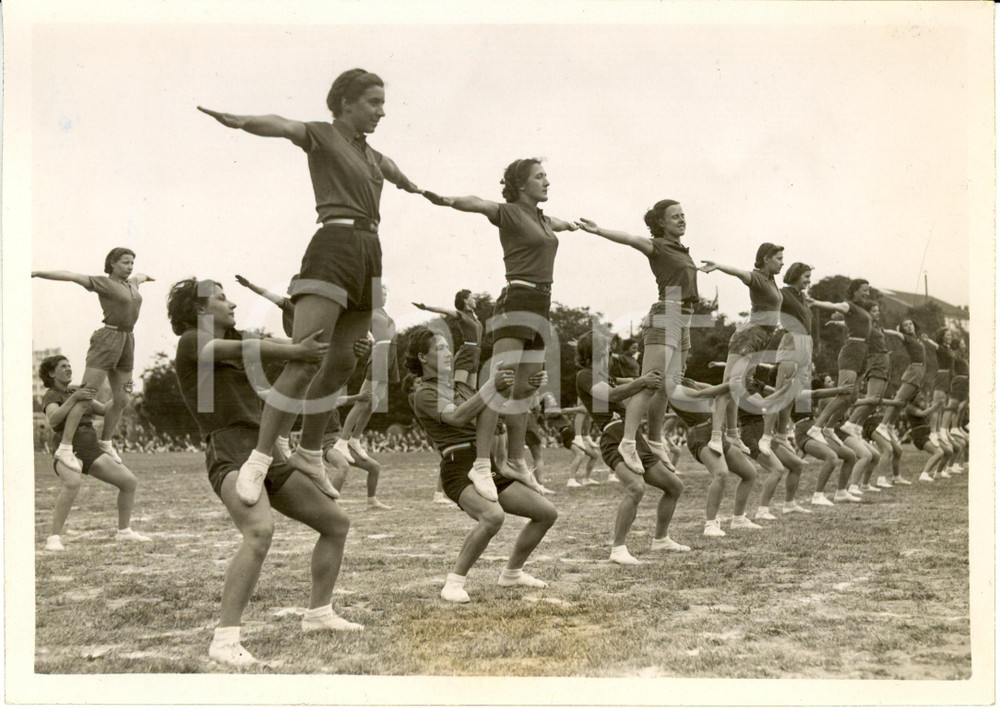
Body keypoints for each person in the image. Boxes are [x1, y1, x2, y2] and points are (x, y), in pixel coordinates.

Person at [198, 68, 441, 503]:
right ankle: (260, 459)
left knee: (343, 362)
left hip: (370, 251)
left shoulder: (372, 154)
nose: (381, 112)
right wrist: (240, 120)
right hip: (334, 245)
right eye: (373, 102)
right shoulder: (323, 135)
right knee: (305, 357)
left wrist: (415, 187)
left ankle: (310, 453)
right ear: (345, 102)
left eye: (383, 103)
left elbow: (392, 170)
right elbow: (283, 125)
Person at [169, 277, 361, 667]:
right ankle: (225, 639)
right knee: (259, 532)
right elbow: (260, 348)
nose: (231, 304)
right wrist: (298, 349)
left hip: (265, 448)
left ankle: (319, 613)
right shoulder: (192, 340)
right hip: (229, 448)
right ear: (199, 309)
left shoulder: (241, 342)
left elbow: (291, 356)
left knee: (336, 523)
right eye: (221, 298)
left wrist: (342, 350)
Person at [428, 158, 578, 494]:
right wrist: (449, 200)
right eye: (540, 176)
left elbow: (558, 223)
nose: (547, 181)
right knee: (501, 383)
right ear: (521, 184)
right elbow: (480, 204)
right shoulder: (510, 213)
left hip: (542, 304)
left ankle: (515, 461)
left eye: (546, 175)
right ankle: (482, 463)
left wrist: (571, 225)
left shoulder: (543, 218)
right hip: (517, 299)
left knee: (526, 388)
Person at [406, 327, 557, 603]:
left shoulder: (460, 387)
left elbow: (497, 410)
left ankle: (512, 573)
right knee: (492, 517)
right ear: (422, 358)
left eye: (447, 347)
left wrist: (527, 387)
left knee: (546, 513)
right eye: (440, 348)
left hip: (485, 462)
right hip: (458, 467)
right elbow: (457, 417)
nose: (448, 353)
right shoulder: (424, 393)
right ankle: (454, 583)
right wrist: (491, 386)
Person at [576, 200, 697, 473]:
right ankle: (628, 441)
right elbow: (630, 239)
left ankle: (654, 441)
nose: (681, 219)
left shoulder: (682, 250)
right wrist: (598, 230)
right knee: (651, 380)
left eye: (683, 215)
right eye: (675, 216)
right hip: (667, 313)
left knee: (669, 384)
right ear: (661, 222)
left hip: (685, 318)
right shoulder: (658, 246)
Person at [32, 249, 154, 470]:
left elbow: (140, 277)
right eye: (125, 262)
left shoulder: (132, 283)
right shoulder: (104, 283)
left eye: (132, 263)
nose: (130, 267)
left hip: (128, 340)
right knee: (87, 395)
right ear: (112, 263)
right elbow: (71, 275)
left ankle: (106, 442)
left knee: (123, 397)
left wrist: (147, 277)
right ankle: (65, 447)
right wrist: (38, 273)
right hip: (107, 339)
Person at [574, 330, 689, 563]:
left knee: (674, 486)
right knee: (636, 488)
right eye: (605, 345)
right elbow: (612, 394)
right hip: (614, 437)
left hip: (634, 436)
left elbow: (632, 382)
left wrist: (668, 377)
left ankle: (661, 539)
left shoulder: (606, 376)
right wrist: (643, 381)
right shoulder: (584, 375)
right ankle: (618, 549)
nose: (610, 348)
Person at [38, 355, 151, 551]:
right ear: (51, 373)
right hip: (67, 449)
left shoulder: (77, 391)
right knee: (72, 483)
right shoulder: (52, 395)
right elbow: (53, 419)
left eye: (69, 365)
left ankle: (124, 531)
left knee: (129, 482)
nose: (69, 369)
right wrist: (75, 398)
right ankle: (53, 538)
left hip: (91, 448)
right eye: (63, 366)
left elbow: (106, 410)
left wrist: (123, 393)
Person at [699, 243, 785, 456]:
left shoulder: (771, 279)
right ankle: (716, 435)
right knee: (730, 385)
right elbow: (740, 273)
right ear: (766, 259)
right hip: (750, 335)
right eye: (778, 258)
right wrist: (718, 265)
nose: (782, 262)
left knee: (739, 386)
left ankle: (732, 434)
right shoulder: (757, 278)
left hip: (762, 338)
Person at [764, 262, 849, 454]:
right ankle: (766, 436)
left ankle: (781, 435)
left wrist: (836, 316)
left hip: (806, 343)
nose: (809, 281)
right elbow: (768, 298)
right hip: (792, 340)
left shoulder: (802, 297)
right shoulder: (783, 293)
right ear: (795, 275)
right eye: (806, 277)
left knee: (792, 394)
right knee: (780, 393)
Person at [331, 284, 398, 474]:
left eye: (386, 293)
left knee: (374, 402)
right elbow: (353, 325)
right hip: (380, 353)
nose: (384, 296)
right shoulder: (367, 310)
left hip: (390, 354)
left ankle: (355, 439)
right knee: (363, 399)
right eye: (381, 293)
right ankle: (342, 441)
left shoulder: (382, 311)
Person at [811, 279, 872, 443]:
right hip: (852, 351)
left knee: (852, 397)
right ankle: (816, 427)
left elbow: (857, 325)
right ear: (855, 291)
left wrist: (839, 322)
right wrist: (815, 302)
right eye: (864, 290)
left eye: (868, 290)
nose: (867, 293)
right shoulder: (848, 305)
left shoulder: (860, 309)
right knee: (844, 393)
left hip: (863, 351)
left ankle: (829, 428)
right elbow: (833, 305)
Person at [413, 289, 483, 387]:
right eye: (472, 298)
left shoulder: (474, 317)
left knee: (471, 391)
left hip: (476, 353)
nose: (475, 300)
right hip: (467, 352)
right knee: (460, 388)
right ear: (465, 301)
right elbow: (444, 310)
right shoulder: (461, 315)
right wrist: (426, 307)